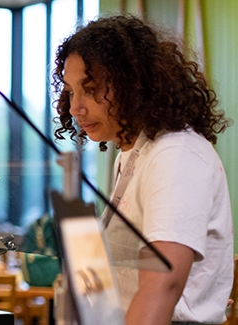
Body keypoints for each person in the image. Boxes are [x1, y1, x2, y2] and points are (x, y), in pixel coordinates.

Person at [52, 15, 233, 325]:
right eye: (70, 91)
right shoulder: (133, 152)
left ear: (132, 85)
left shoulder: (175, 154)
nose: (75, 108)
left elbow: (163, 284)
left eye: (90, 89)